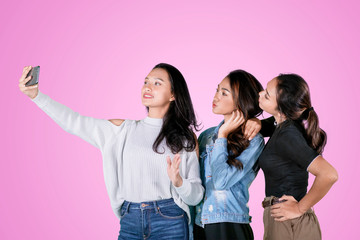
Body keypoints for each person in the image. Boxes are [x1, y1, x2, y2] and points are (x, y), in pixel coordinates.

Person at [18, 63, 204, 240]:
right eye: (146, 82)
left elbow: (196, 196)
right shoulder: (121, 131)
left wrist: (179, 182)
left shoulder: (185, 139)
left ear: (173, 95)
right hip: (130, 219)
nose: (148, 87)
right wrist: (37, 96)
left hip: (169, 220)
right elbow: (73, 122)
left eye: (157, 83)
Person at [258, 73, 338, 240]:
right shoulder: (281, 125)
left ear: (282, 108)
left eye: (266, 94)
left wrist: (300, 208)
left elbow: (329, 174)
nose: (259, 94)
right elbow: (264, 125)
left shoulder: (288, 134)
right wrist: (255, 123)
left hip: (289, 222)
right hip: (283, 220)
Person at [193, 70, 265, 240]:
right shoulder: (206, 136)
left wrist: (223, 136)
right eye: (217, 90)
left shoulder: (253, 140)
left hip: (229, 224)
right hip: (200, 222)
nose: (216, 96)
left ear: (241, 102)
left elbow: (221, 181)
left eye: (224, 93)